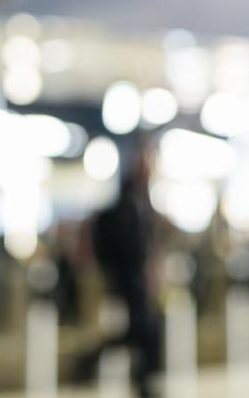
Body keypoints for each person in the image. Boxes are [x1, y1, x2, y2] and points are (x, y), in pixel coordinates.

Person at [88, 141, 160, 397]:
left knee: (142, 331)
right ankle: (91, 360)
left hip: (135, 279)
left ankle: (142, 383)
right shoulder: (124, 201)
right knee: (138, 331)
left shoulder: (141, 200)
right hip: (126, 279)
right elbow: (120, 243)